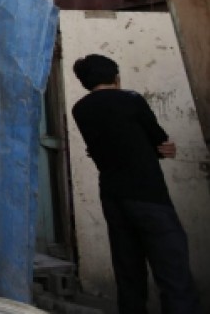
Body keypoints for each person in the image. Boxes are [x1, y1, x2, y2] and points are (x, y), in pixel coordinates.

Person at [70, 53, 200, 314]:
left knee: (128, 272)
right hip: (148, 194)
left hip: (112, 195)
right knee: (172, 271)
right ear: (115, 77)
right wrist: (160, 148)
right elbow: (160, 140)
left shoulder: (80, 109)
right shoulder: (131, 99)